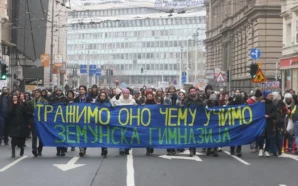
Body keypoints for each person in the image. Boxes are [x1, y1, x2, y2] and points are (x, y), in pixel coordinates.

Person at [111, 88, 136, 155]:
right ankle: (121, 148)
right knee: (121, 133)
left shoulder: (132, 100)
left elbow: (136, 108)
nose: (126, 94)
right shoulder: (119, 100)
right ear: (122, 94)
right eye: (124, 93)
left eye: (127, 93)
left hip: (129, 120)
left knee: (128, 134)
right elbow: (112, 103)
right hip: (121, 120)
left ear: (129, 94)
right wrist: (116, 96)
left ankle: (127, 148)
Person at [183, 87, 205, 157]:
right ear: (189, 92)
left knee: (196, 135)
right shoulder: (186, 100)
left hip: (198, 120)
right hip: (190, 120)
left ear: (196, 92)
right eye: (191, 91)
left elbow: (203, 107)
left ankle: (194, 148)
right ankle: (191, 150)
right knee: (191, 135)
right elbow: (184, 108)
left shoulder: (199, 100)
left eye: (194, 91)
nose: (193, 92)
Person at [27, 88, 48, 157]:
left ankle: (40, 149)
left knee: (41, 136)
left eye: (38, 92)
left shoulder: (44, 101)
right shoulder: (31, 102)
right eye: (35, 92)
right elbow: (27, 112)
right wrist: (31, 115)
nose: (36, 94)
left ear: (40, 93)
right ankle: (34, 149)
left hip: (41, 121)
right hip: (34, 121)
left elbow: (47, 111)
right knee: (34, 136)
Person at [49, 87, 69, 156]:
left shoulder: (65, 98)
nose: (58, 92)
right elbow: (49, 107)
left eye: (60, 90)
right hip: (56, 119)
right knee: (57, 135)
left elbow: (68, 106)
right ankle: (58, 150)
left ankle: (63, 150)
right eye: (57, 90)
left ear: (61, 91)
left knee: (63, 135)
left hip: (63, 119)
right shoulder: (52, 98)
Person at [73, 85, 93, 157]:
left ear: (85, 91)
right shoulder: (75, 99)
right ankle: (81, 149)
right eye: (80, 89)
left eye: (82, 89)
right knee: (79, 135)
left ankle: (84, 148)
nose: (81, 90)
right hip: (78, 120)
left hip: (87, 120)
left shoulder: (89, 99)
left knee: (86, 135)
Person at [258, 90, 277, 157]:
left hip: (269, 122)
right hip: (262, 123)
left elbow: (275, 113)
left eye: (272, 96)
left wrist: (269, 116)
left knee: (268, 137)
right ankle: (260, 149)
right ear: (266, 96)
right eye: (269, 95)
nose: (271, 97)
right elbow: (257, 111)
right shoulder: (262, 103)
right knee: (261, 136)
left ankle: (266, 150)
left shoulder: (273, 105)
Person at [96, 91, 112, 158]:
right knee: (100, 136)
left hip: (106, 122)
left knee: (105, 136)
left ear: (106, 97)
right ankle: (103, 148)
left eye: (104, 96)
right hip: (98, 122)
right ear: (99, 96)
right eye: (101, 96)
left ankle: (105, 148)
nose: (102, 97)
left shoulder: (108, 103)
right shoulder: (96, 103)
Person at [163, 86, 178, 155]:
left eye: (173, 89)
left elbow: (180, 105)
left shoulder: (178, 97)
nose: (171, 90)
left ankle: (174, 148)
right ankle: (169, 149)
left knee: (175, 134)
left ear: (175, 90)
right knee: (168, 134)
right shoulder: (166, 97)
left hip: (176, 117)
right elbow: (164, 106)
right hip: (168, 117)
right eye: (170, 89)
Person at [144, 90, 156, 156]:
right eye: (148, 94)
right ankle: (148, 150)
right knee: (147, 136)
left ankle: (152, 147)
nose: (149, 95)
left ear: (152, 95)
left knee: (153, 136)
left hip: (153, 122)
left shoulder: (155, 103)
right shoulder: (144, 104)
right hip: (146, 122)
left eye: (150, 94)